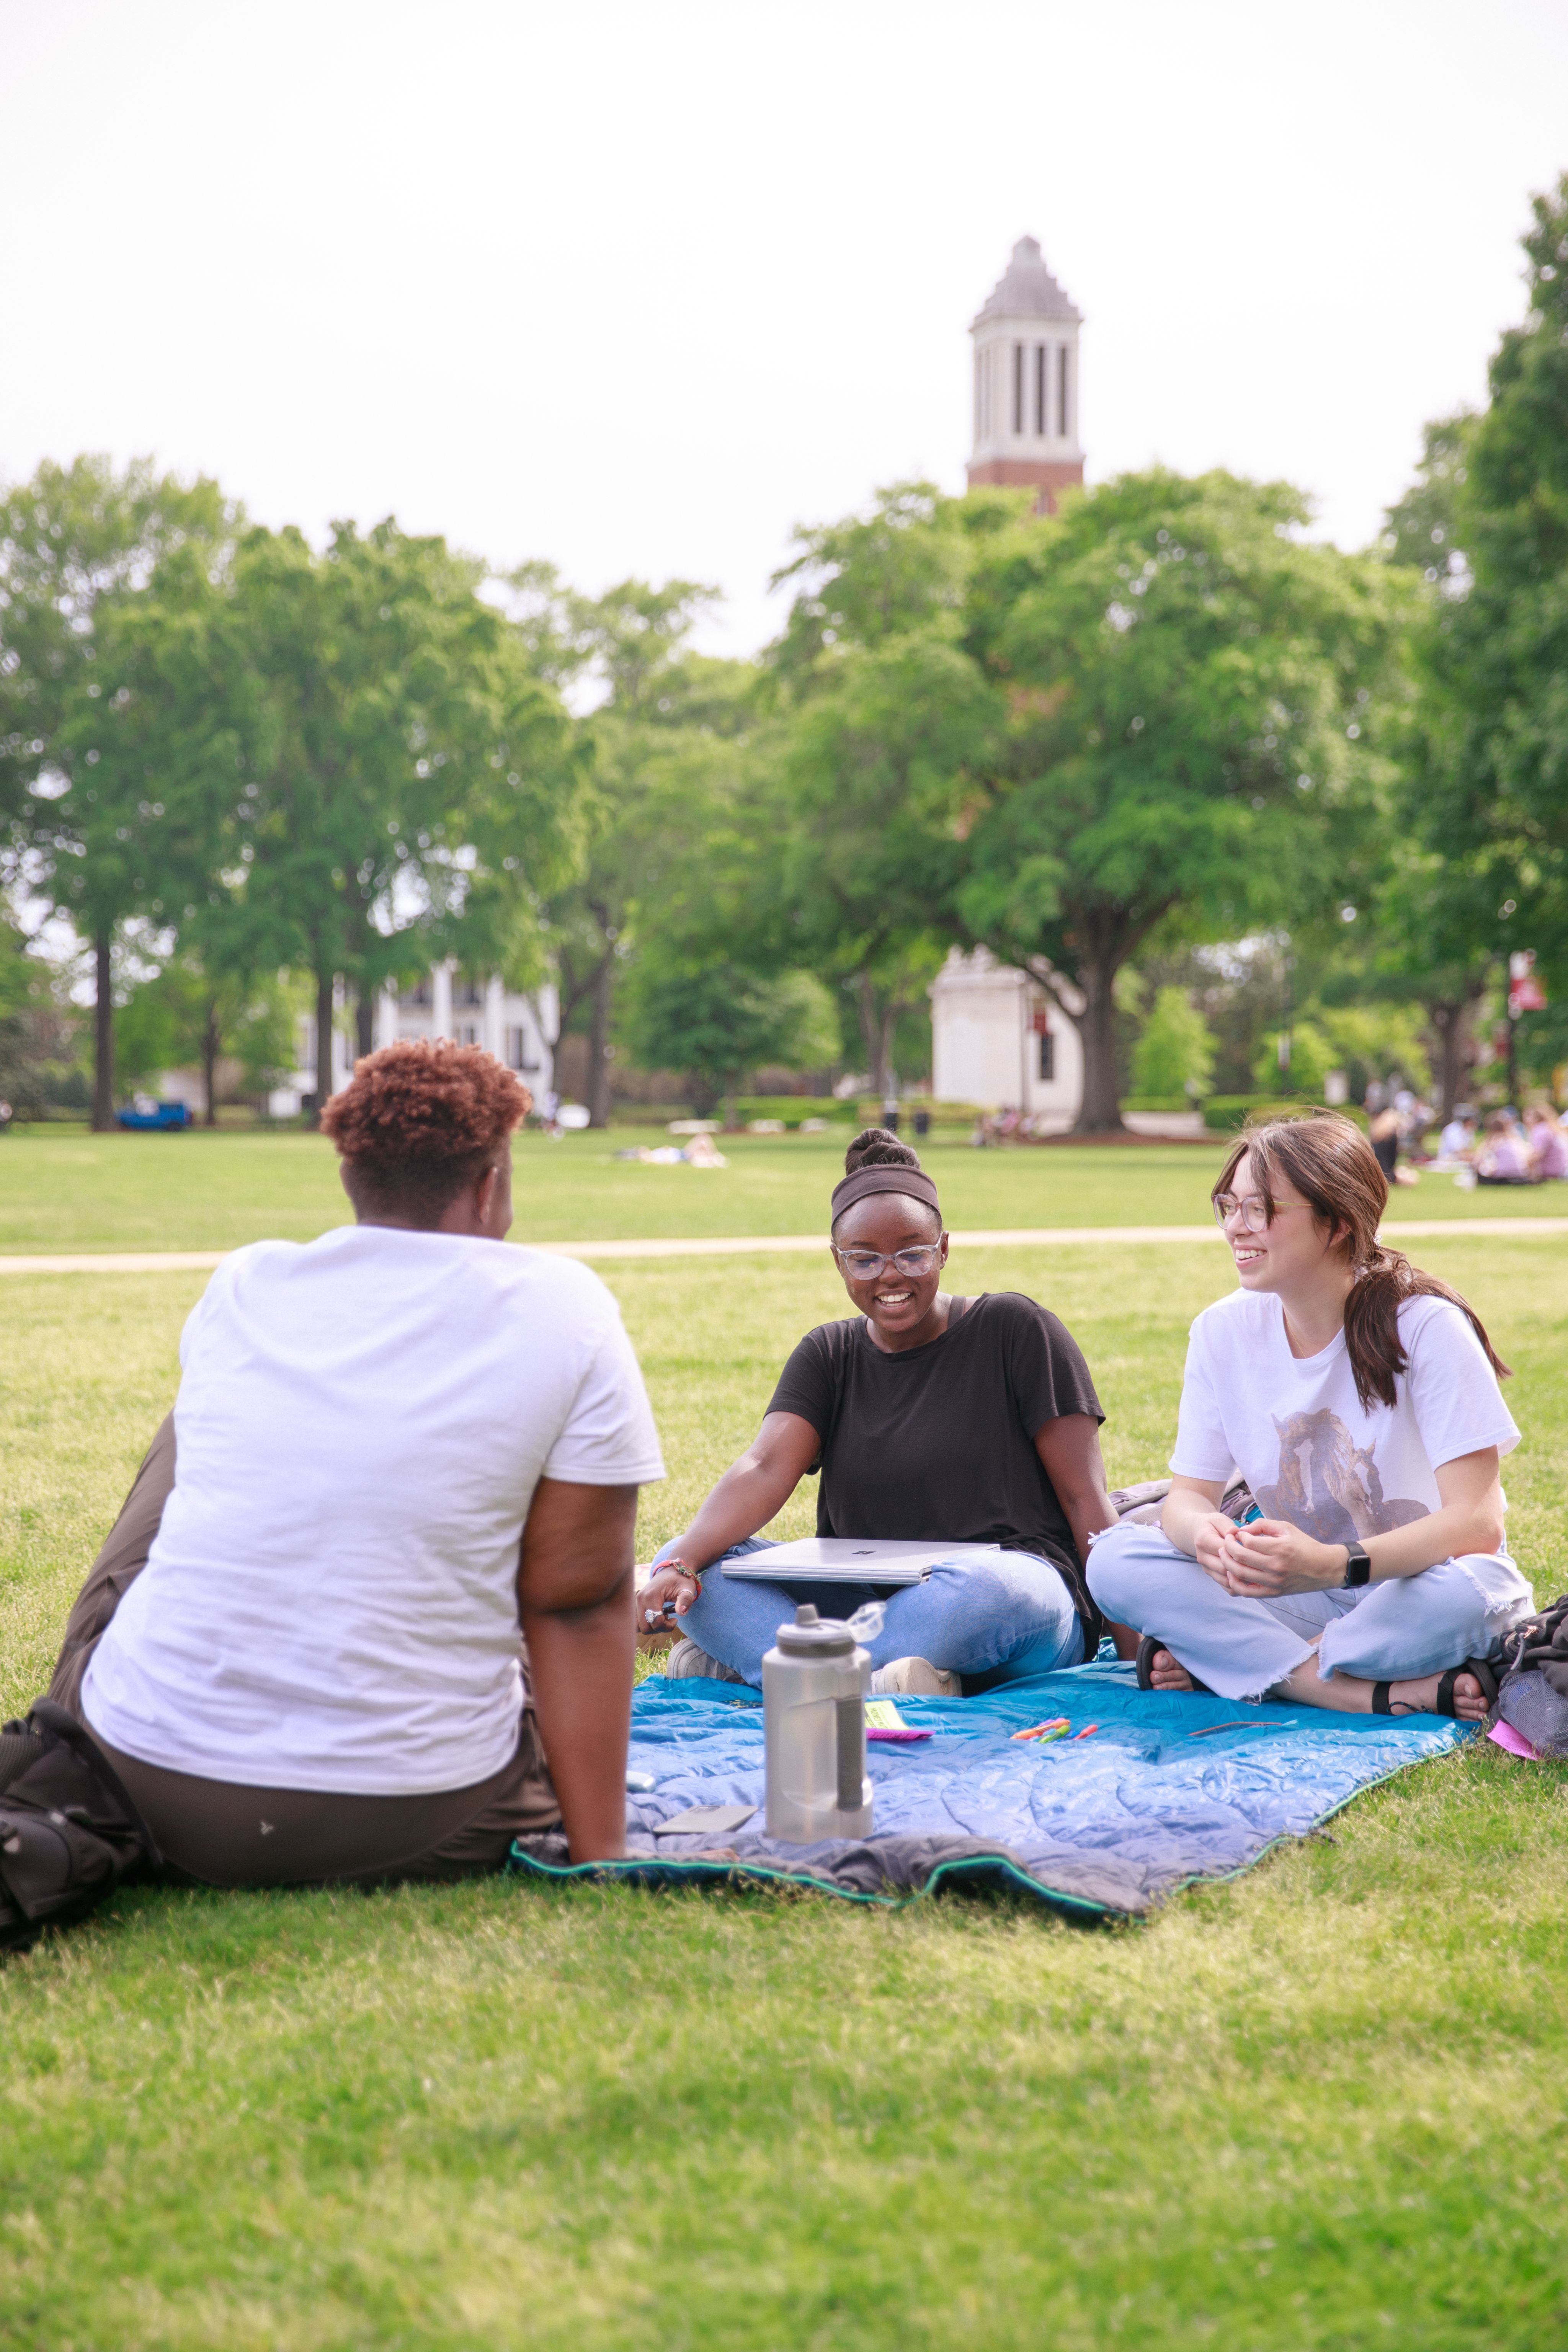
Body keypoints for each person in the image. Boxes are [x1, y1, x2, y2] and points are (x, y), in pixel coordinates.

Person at [50, 1039, 665, 1885]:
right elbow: (581, 1599)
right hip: (420, 1814)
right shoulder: (568, 1308)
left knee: (195, 1423)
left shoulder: (246, 1285)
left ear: (349, 1178)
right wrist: (603, 1858)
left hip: (148, 1781)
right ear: (490, 1185)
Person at [638, 1128, 1118, 1695]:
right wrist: (684, 1563)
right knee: (687, 1558)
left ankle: (783, 1668)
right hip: (861, 1597)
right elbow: (765, 1468)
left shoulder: (1016, 1329)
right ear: (838, 1263)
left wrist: (1134, 1653)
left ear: (944, 1248)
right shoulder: (829, 1353)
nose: (890, 1276)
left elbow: (1084, 1498)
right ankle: (885, 1677)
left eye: (912, 1254)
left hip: (1006, 1598)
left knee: (987, 1592)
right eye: (864, 1261)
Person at [1088, 1112, 1532, 1719]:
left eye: (1260, 1210)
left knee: (1480, 1594)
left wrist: (1329, 1564)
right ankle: (1376, 1691)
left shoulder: (1426, 1328)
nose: (1235, 1229)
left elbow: (1477, 1525)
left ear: (1338, 1223)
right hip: (1300, 1596)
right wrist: (1207, 1539)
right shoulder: (1222, 1331)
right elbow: (1188, 1499)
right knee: (1117, 1559)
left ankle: (1246, 1665)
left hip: (1414, 1589)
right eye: (1228, 1206)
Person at [1475, 1110, 1536, 1185]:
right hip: (1520, 1174)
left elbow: (1478, 1161)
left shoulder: (1494, 1141)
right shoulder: (1515, 1139)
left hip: (1502, 1176)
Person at [1525, 1103, 1568, 1181]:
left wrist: (1525, 1165)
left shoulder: (1540, 1130)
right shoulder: (1551, 1128)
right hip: (1562, 1169)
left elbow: (1538, 1154)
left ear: (1536, 1118)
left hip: (1553, 1171)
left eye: (1528, 1116)